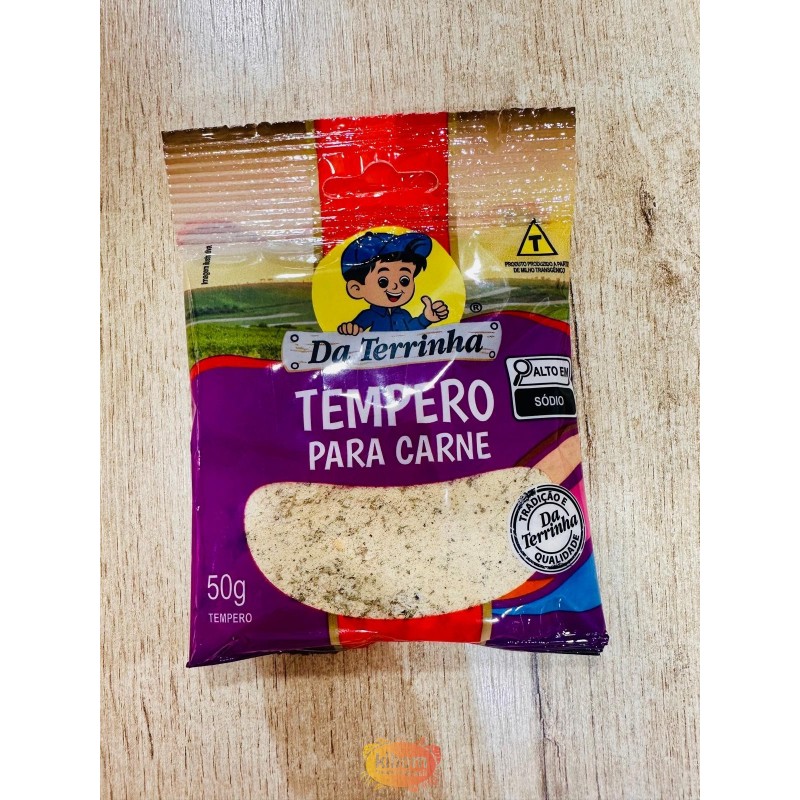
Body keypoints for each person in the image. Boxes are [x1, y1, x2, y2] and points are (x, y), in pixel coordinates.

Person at [336, 231, 449, 334]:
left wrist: (426, 319)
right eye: (383, 281)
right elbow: (355, 329)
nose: (395, 286)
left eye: (404, 281)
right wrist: (350, 329)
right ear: (356, 288)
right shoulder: (369, 315)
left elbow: (412, 329)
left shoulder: (403, 314)